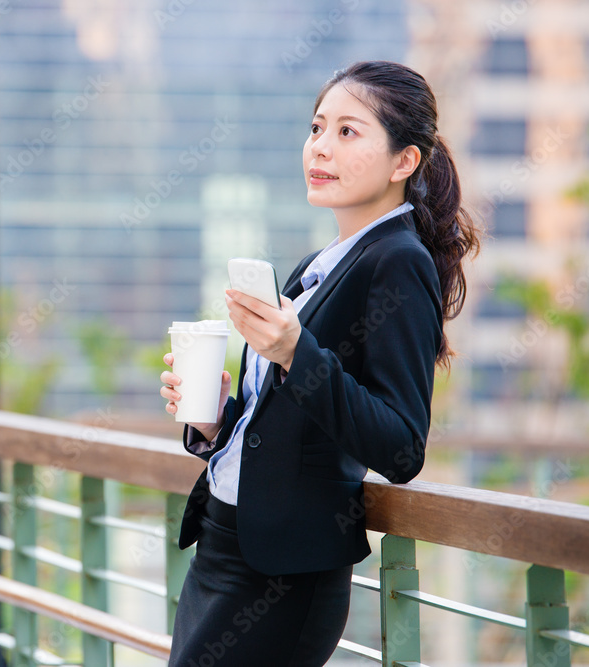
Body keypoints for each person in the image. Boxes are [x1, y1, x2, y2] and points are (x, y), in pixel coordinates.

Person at [160, 60, 481, 666]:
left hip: (280, 579)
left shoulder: (397, 262)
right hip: (224, 547)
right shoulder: (322, 261)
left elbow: (402, 447)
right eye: (316, 128)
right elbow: (294, 426)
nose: (320, 148)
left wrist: (292, 351)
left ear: (403, 162)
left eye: (347, 132)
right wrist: (215, 426)